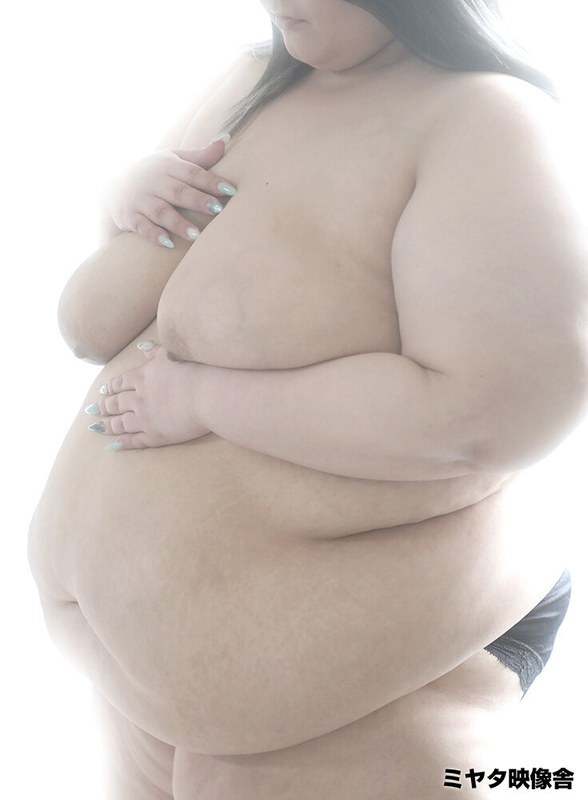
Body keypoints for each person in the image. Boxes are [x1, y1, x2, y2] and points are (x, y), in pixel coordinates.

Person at [28, 1, 587, 798]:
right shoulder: (252, 78)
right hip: (145, 698)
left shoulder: (488, 122)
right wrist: (121, 197)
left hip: (376, 699)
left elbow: (487, 416)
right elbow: (100, 319)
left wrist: (205, 400)